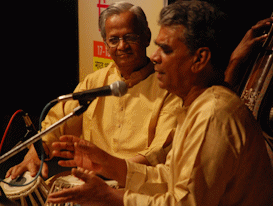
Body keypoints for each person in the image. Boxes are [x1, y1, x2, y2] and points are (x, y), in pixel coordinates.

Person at [47, 1, 273, 205]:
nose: (155, 57)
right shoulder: (198, 105)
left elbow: (184, 202)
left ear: (199, 59)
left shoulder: (213, 114)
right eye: (113, 40)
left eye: (166, 49)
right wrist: (107, 163)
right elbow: (170, 176)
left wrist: (110, 196)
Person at [6, 2, 182, 180]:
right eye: (114, 40)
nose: (122, 46)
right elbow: (58, 123)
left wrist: (110, 168)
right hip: (91, 178)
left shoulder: (168, 87)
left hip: (139, 184)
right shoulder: (95, 82)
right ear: (105, 44)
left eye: (130, 37)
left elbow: (160, 152)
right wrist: (36, 153)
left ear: (146, 36)